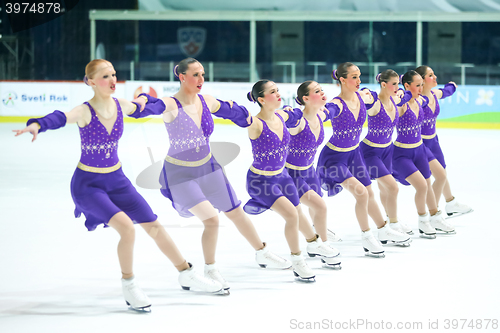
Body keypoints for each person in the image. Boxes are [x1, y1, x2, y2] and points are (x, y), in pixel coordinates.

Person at [13, 59, 222, 311]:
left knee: (154, 225)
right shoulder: (85, 111)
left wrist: (145, 99)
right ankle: (129, 284)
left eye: (113, 75)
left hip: (117, 180)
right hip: (88, 185)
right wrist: (37, 124)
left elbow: (141, 105)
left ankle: (185, 272)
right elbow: (60, 117)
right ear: (90, 82)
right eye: (104, 77)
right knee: (126, 228)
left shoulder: (121, 105)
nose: (112, 80)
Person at [131, 58, 292, 292]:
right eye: (195, 74)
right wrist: (142, 100)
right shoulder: (171, 104)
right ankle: (210, 268)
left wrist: (246, 118)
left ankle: (262, 252)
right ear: (182, 76)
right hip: (180, 174)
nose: (201, 79)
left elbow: (230, 110)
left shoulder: (206, 101)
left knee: (236, 212)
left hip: (209, 167)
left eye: (203, 74)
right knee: (212, 220)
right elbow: (149, 107)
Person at [240, 79, 340, 279]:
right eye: (272, 92)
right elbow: (244, 119)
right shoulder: (255, 123)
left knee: (297, 212)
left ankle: (314, 243)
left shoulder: (281, 116)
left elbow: (295, 113)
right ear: (261, 99)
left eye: (277, 90)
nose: (278, 94)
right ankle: (298, 261)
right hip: (261, 180)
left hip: (283, 177)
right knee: (292, 215)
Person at [317, 62, 411, 258]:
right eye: (353, 77)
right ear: (342, 80)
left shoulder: (363, 96)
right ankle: (367, 237)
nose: (359, 81)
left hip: (354, 155)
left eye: (359, 76)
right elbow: (326, 113)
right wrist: (317, 114)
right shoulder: (336, 104)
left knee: (369, 193)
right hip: (334, 158)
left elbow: (387, 96)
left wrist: (400, 93)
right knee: (360, 194)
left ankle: (383, 228)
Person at [392, 70, 455, 238]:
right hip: (402, 153)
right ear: (406, 86)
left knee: (428, 184)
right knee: (421, 186)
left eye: (422, 85)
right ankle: (422, 221)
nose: (421, 88)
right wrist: (400, 95)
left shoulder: (421, 100)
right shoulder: (402, 105)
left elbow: (440, 93)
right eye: (418, 85)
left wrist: (451, 87)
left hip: (420, 150)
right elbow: (394, 104)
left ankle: (435, 217)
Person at [287, 81, 342, 244]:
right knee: (320, 207)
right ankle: (322, 244)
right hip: (291, 174)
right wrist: (286, 112)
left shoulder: (320, 115)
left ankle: (320, 230)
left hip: (309, 170)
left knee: (316, 206)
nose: (323, 93)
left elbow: (335, 109)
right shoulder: (297, 122)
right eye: (317, 91)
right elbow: (283, 122)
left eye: (322, 89)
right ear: (306, 98)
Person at [414, 65, 473, 218]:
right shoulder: (419, 101)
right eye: (431, 75)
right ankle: (433, 212)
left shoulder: (434, 94)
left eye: (434, 74)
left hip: (434, 140)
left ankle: (450, 202)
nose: (435, 77)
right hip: (422, 144)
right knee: (437, 177)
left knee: (442, 173)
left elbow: (446, 91)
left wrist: (452, 85)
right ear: (421, 80)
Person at [360, 70, 413, 235]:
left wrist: (404, 92)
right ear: (384, 84)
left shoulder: (395, 100)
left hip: (387, 151)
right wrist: (366, 92)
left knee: (384, 189)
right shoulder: (375, 104)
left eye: (398, 83)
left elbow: (408, 95)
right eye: (394, 84)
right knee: (393, 187)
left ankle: (390, 220)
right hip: (370, 152)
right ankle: (393, 224)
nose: (398, 87)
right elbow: (364, 98)